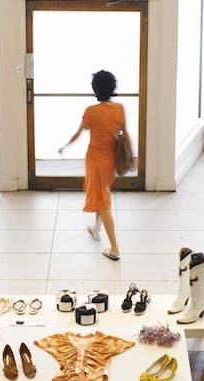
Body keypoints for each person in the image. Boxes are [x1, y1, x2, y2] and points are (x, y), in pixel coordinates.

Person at [59, 70, 130, 261]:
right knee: (102, 194)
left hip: (96, 161)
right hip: (112, 161)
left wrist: (65, 145)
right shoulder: (120, 109)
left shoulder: (91, 112)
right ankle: (96, 229)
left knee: (103, 201)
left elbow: (78, 133)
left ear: (95, 89)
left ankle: (114, 248)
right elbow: (124, 134)